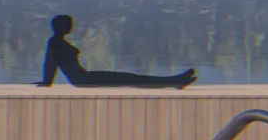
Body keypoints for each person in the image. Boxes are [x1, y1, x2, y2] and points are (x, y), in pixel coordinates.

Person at [35, 13, 197, 89]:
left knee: (132, 78)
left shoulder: (58, 42)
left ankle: (175, 80)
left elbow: (51, 64)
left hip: (86, 78)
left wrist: (46, 81)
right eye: (69, 24)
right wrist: (46, 82)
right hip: (84, 80)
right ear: (62, 26)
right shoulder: (55, 43)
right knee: (131, 79)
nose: (72, 27)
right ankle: (174, 81)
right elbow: (49, 64)